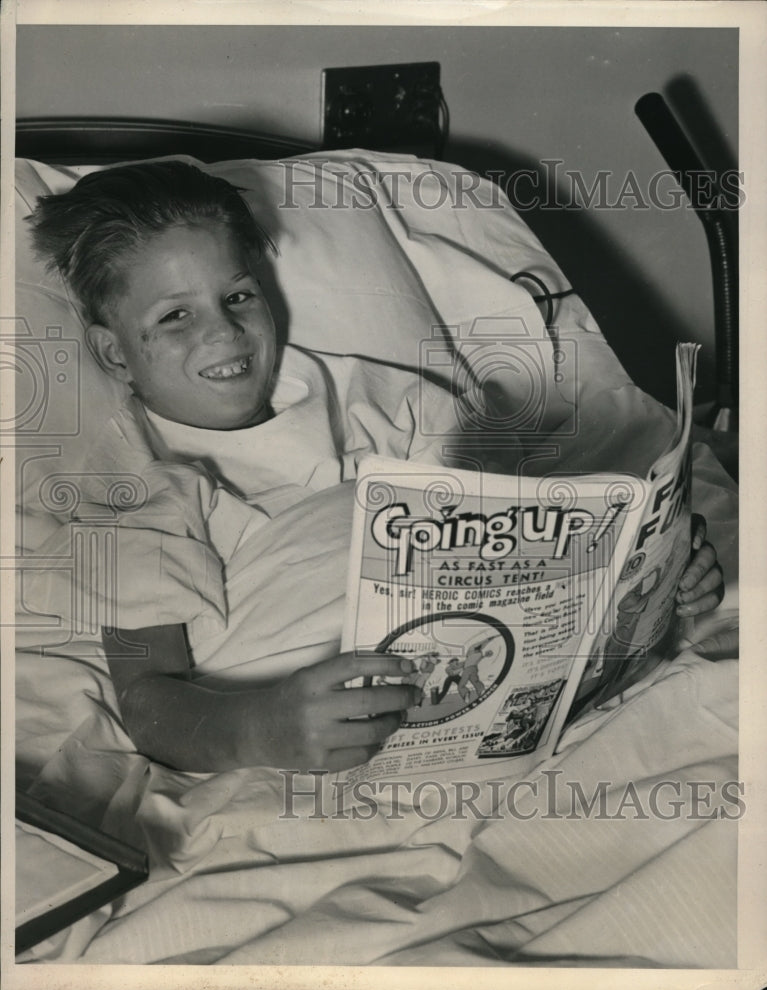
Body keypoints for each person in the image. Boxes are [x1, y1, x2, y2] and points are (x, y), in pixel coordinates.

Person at [27, 161, 725, 775]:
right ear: (115, 353)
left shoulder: (379, 401)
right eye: (175, 316)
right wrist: (257, 729)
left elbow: (521, 544)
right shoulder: (131, 491)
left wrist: (653, 586)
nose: (223, 331)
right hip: (311, 747)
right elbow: (149, 702)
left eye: (237, 296)